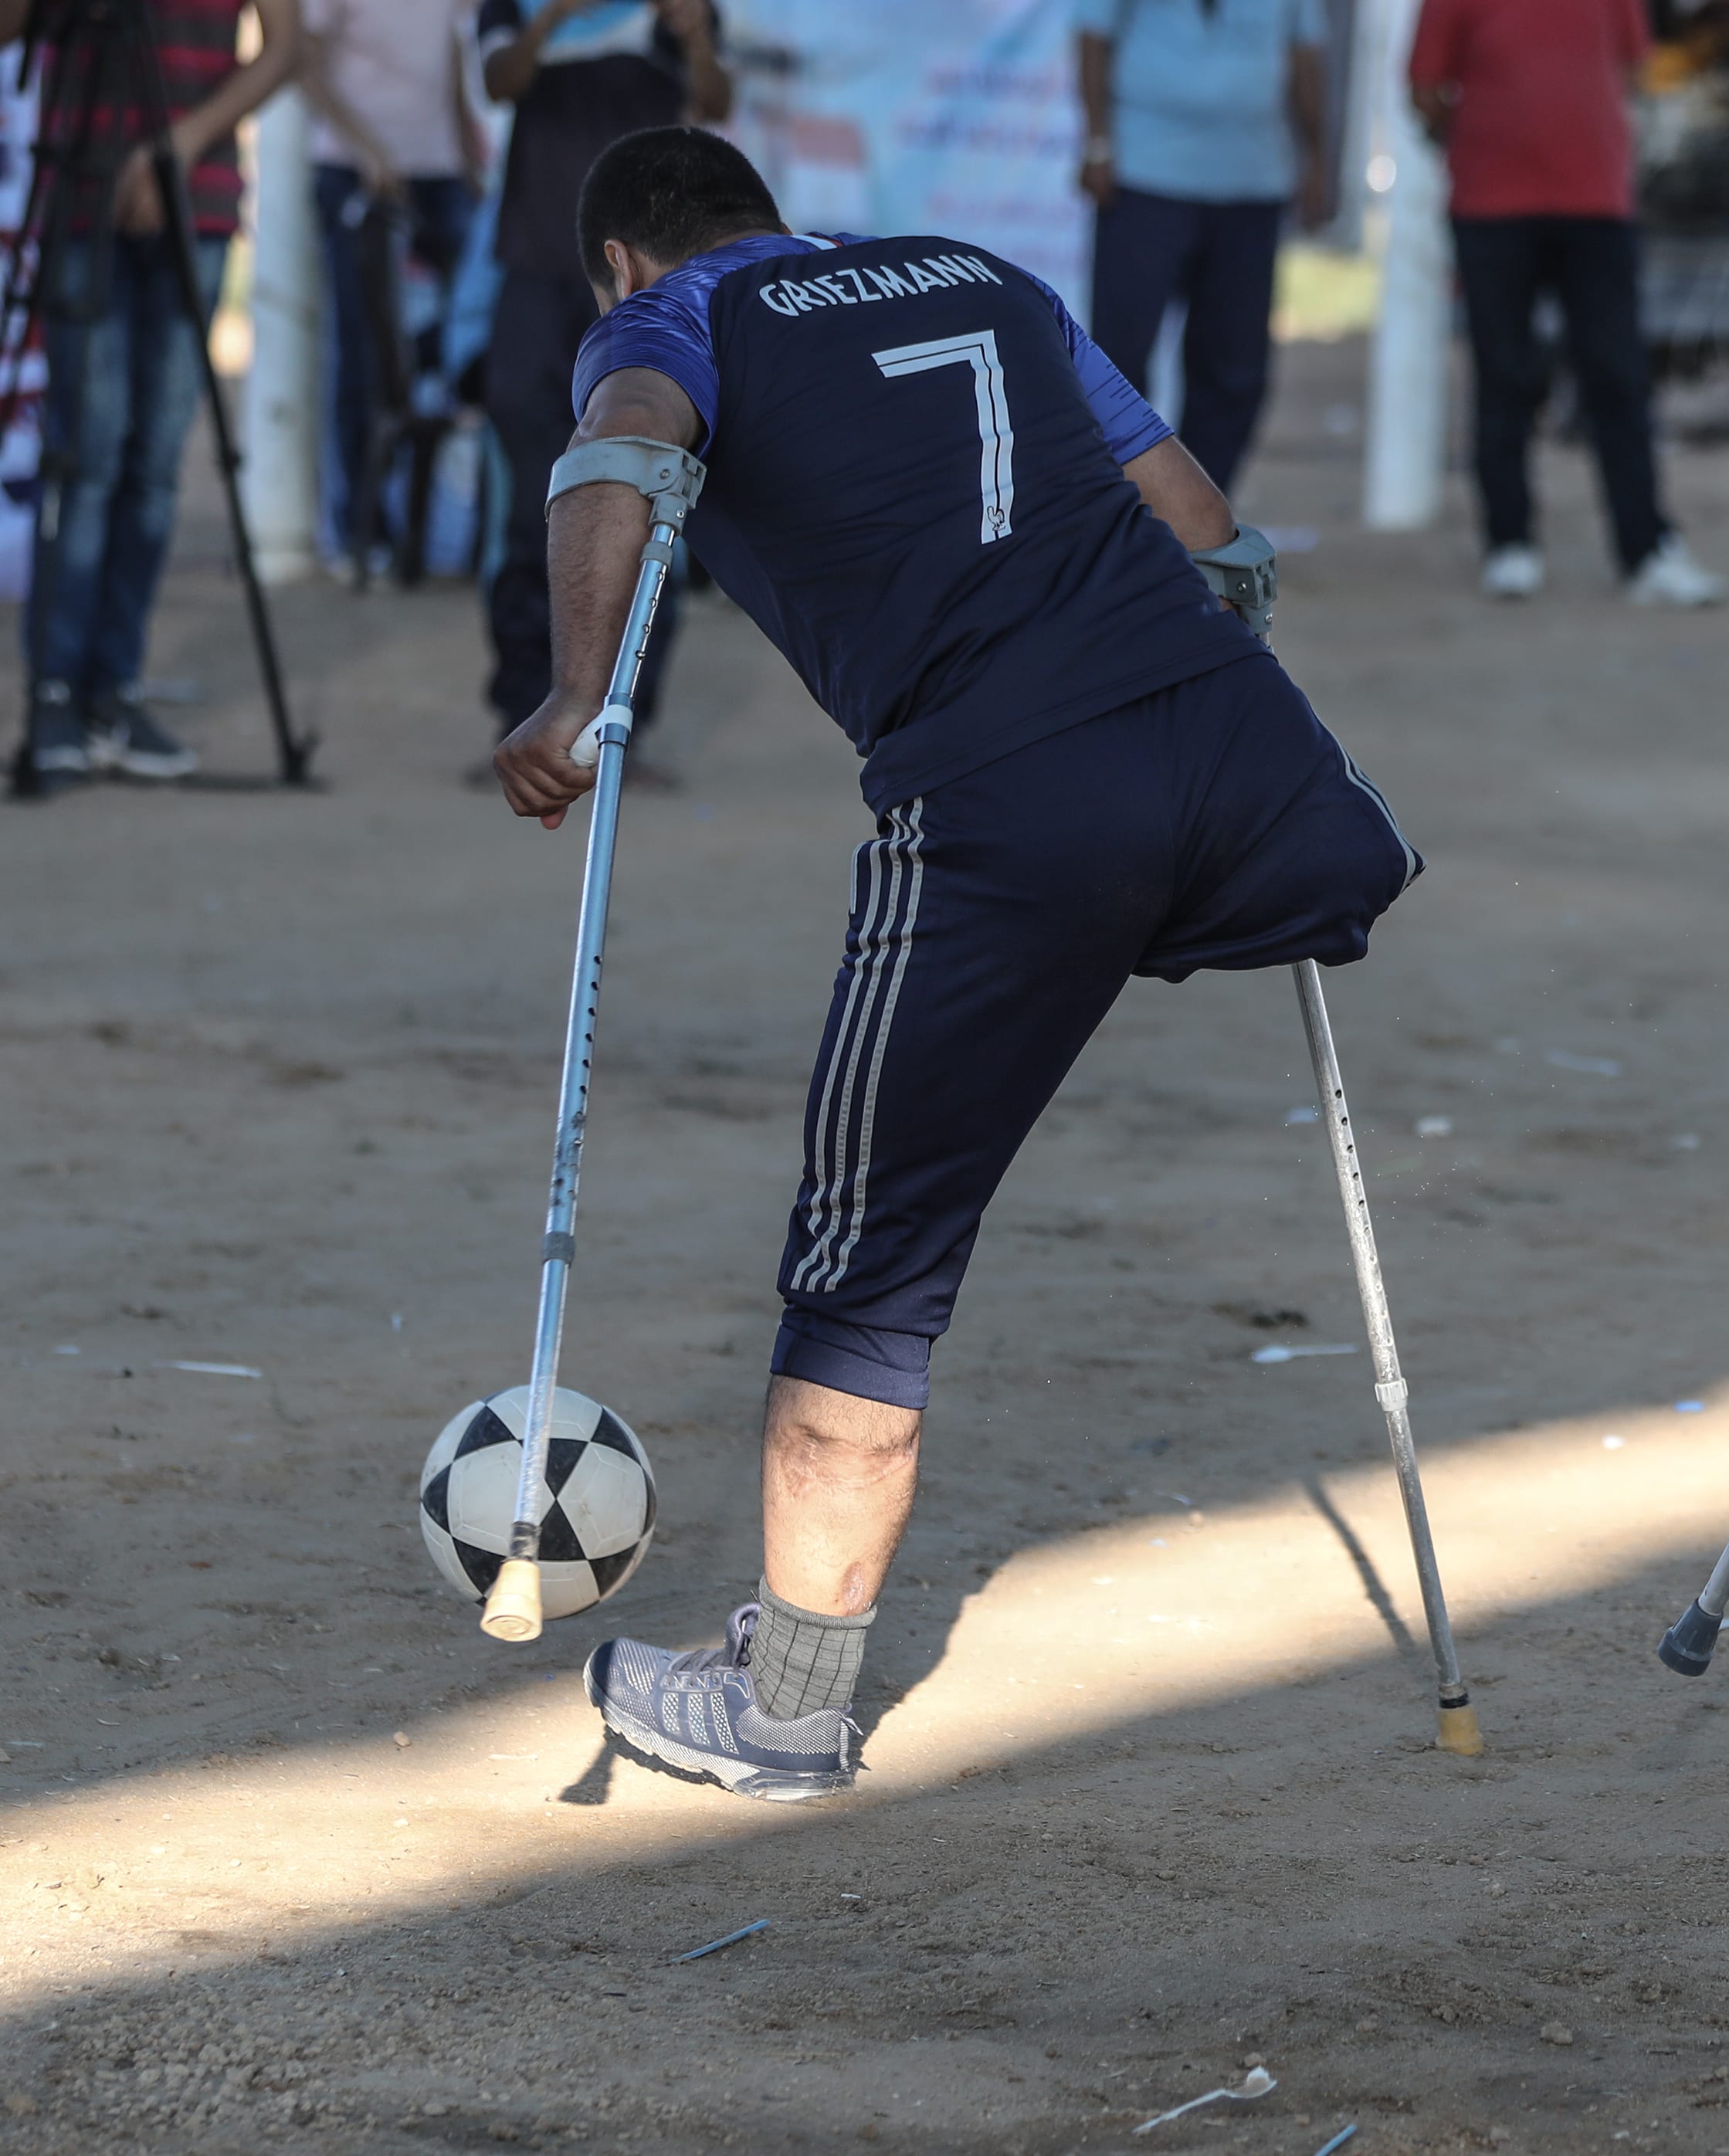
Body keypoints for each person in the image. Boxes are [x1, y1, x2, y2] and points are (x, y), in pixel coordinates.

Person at [493, 128, 1418, 1799]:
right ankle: (1146, 877)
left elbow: (618, 454)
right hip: (1267, 791)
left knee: (870, 1254)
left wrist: (577, 692)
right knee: (1134, 878)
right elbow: (1205, 527)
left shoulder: (671, 316)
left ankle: (783, 1704)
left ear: (622, 261)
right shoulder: (984, 275)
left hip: (1006, 808)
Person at [3, 0, 300, 789]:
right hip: (81, 185)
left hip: (193, 197)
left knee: (154, 461)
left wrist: (179, 145)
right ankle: (57, 692)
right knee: (86, 453)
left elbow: (286, 47)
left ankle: (114, 690)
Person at [475, 0, 730, 758]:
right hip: (536, 272)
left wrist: (694, 37)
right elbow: (498, 81)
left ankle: (623, 732)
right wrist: (552, 18)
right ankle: (524, 719)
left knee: (652, 500)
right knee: (528, 498)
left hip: (647, 282)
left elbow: (716, 100)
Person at [1406, 0, 1724, 606]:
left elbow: (1633, 68)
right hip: (1492, 209)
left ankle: (1646, 548)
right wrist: (1487, 132)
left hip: (1596, 205)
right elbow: (1424, 88)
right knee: (1503, 374)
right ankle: (1509, 543)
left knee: (1619, 378)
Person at [1073, 0, 1334, 495]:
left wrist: (1318, 161)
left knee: (1234, 369)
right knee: (1117, 360)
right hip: (1145, 180)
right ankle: (1117, 510)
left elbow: (1306, 56)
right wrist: (1097, 144)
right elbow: (1092, 37)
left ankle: (1201, 520)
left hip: (1252, 184)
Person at [297, 0, 480, 575]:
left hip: (440, 174)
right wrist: (367, 148)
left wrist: (467, 151)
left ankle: (443, 533)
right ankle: (361, 529)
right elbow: (306, 67)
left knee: (457, 355)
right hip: (356, 173)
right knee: (365, 355)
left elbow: (450, 54)